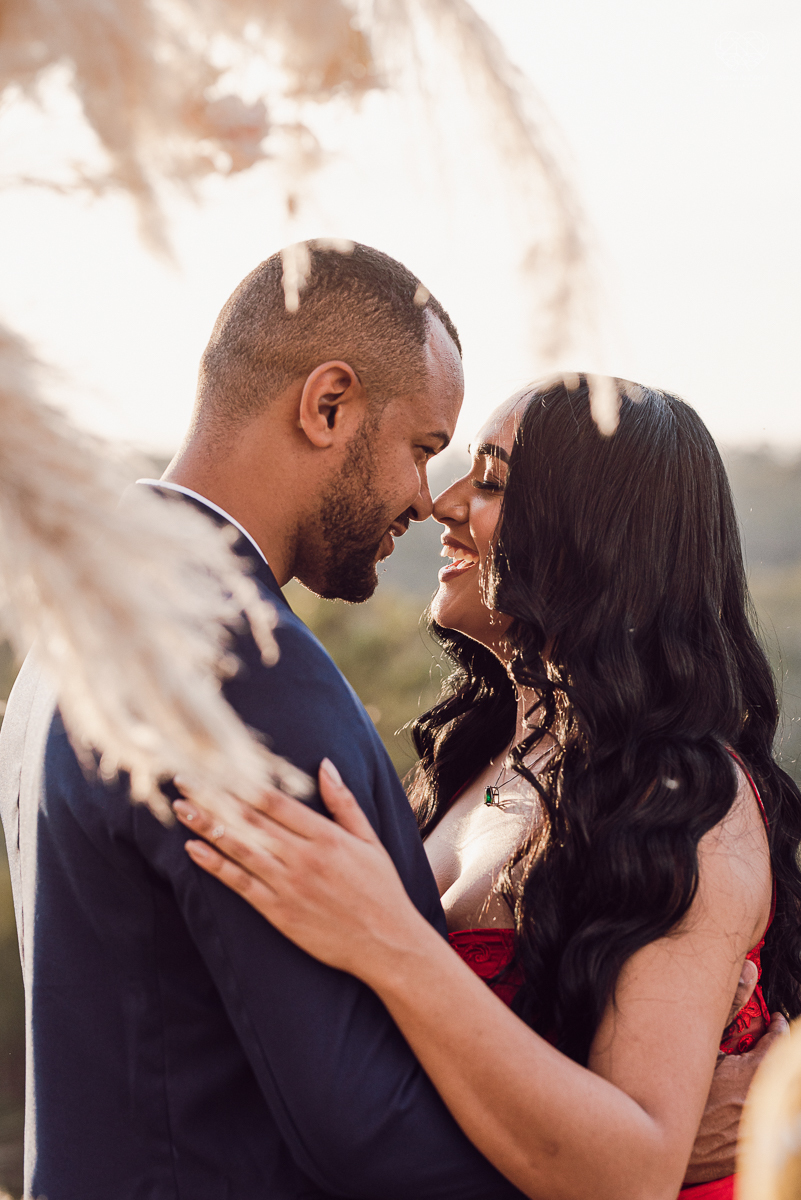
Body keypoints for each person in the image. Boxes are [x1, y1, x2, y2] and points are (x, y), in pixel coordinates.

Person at [171, 376, 801, 1200]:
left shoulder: (676, 800)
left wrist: (383, 938)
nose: (444, 504)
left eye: (493, 482)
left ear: (596, 536)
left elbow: (632, 1171)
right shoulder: (482, 752)